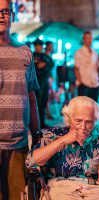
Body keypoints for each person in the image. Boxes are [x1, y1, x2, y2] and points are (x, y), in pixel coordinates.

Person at [26, 96, 99, 200]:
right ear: (69, 118)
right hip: (61, 188)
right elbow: (31, 161)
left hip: (96, 188)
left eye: (89, 122)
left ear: (95, 120)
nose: (83, 126)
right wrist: (62, 141)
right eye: (78, 121)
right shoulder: (55, 133)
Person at [0, 0, 40, 199]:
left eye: (5, 11)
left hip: (19, 144)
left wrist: (37, 133)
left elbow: (31, 96)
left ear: (12, 16)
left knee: (18, 196)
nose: (1, 15)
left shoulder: (25, 51)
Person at [33, 38, 54, 128]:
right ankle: (35, 124)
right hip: (37, 81)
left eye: (42, 45)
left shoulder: (44, 56)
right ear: (35, 46)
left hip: (44, 81)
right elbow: (38, 66)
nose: (41, 47)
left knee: (44, 102)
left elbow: (50, 64)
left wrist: (42, 64)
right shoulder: (32, 55)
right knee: (37, 102)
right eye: (39, 45)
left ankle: (42, 122)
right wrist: (42, 64)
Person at [74, 31, 99, 102]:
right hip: (84, 82)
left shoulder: (95, 53)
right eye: (88, 38)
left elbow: (97, 67)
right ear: (84, 40)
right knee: (84, 106)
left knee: (94, 105)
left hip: (94, 82)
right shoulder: (79, 53)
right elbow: (76, 68)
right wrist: (79, 81)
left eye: (91, 38)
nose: (90, 40)